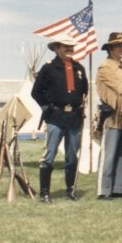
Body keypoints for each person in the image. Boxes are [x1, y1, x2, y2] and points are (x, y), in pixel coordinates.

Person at [31, 32, 89, 203]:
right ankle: (44, 193)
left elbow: (84, 90)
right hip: (55, 117)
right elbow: (36, 92)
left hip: (74, 119)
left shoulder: (79, 68)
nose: (70, 49)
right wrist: (47, 108)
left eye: (71, 46)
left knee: (72, 156)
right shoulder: (48, 68)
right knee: (49, 156)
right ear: (57, 49)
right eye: (66, 46)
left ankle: (70, 190)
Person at [96, 32, 122, 200]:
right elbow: (120, 88)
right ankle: (104, 190)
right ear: (110, 48)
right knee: (110, 153)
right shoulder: (105, 67)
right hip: (111, 114)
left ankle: (118, 188)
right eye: (118, 46)